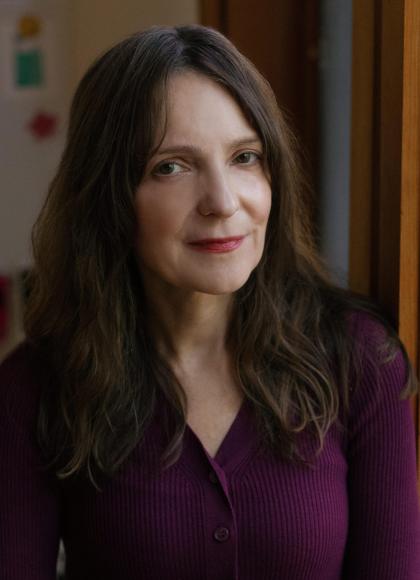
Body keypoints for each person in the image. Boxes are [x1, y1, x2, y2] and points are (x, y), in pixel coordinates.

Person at [0, 24, 418, 580]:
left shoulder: (361, 361)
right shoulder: (32, 390)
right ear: (108, 196)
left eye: (245, 157)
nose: (222, 202)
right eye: (171, 166)